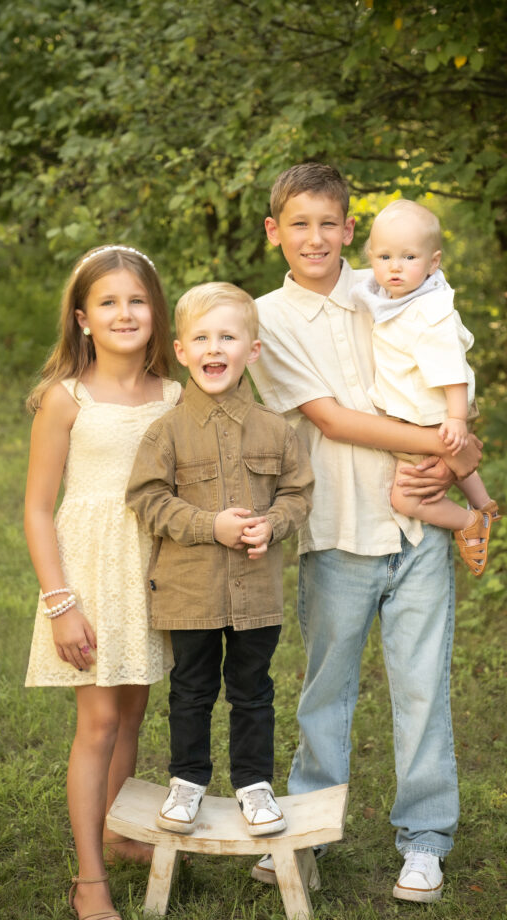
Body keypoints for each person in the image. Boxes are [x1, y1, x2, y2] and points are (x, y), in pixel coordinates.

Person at [248, 163, 482, 903]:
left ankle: (424, 840)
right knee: (328, 692)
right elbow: (330, 418)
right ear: (273, 232)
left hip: (416, 531)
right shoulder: (268, 319)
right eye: (299, 224)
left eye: (329, 223)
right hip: (338, 527)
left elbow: (451, 371)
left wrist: (454, 451)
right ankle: (309, 833)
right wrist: (432, 442)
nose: (316, 238)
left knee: (421, 689)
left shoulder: (391, 281)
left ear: (351, 229)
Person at [24, 244, 179, 920]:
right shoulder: (67, 399)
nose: (124, 313)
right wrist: (61, 603)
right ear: (83, 317)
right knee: (98, 723)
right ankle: (89, 880)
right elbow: (36, 508)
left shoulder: (176, 395)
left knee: (135, 708)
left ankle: (117, 831)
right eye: (109, 302)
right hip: (89, 575)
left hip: (153, 570)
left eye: (137, 300)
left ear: (156, 312)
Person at [126, 282, 314, 838]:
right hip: (190, 589)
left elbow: (298, 495)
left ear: (251, 351)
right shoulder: (165, 432)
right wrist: (212, 525)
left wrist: (274, 523)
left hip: (257, 591)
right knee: (191, 688)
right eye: (201, 338)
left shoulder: (277, 430)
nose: (215, 349)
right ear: (181, 351)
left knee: (253, 689)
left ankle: (254, 785)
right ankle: (187, 780)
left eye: (228, 337)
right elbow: (146, 499)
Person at [353, 198, 501, 576]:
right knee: (456, 458)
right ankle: (484, 505)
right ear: (371, 258)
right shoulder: (394, 298)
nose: (395, 267)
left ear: (433, 262)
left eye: (408, 257)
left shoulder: (427, 311)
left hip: (435, 415)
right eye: (384, 257)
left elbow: (451, 366)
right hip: (427, 414)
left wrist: (456, 419)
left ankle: (468, 523)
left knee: (406, 497)